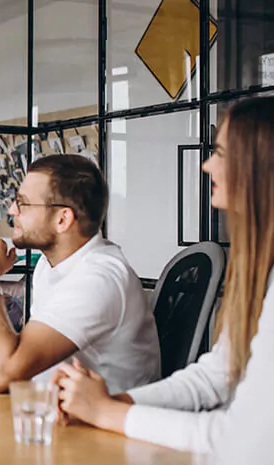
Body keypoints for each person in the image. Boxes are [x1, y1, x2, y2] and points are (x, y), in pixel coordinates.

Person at [53, 97, 274, 463]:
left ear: (259, 165)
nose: (206, 165)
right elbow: (214, 377)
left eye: (220, 151)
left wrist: (109, 413)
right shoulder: (258, 269)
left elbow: (239, 443)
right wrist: (109, 404)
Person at [0, 155, 160, 394]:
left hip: (100, 434)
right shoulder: (50, 265)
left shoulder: (98, 279)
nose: (12, 211)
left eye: (23, 203)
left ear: (62, 219)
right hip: (54, 416)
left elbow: (1, 374)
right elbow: (19, 352)